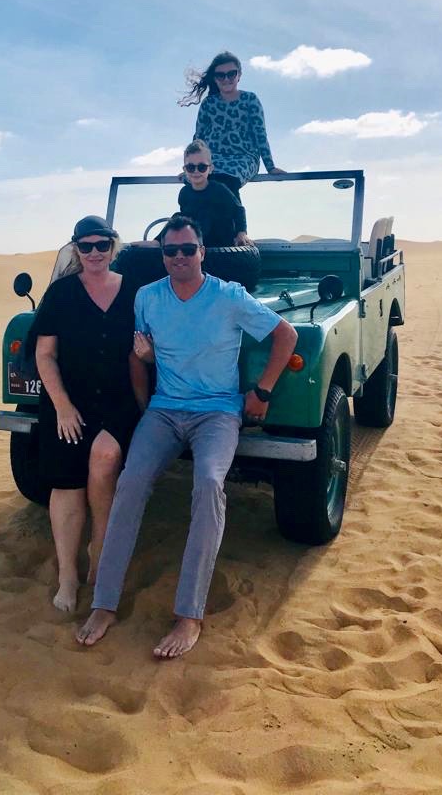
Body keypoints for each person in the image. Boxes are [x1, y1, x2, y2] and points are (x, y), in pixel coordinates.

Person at [76, 214, 297, 658]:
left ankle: (190, 614)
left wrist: (263, 391)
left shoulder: (229, 296)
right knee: (131, 481)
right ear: (162, 256)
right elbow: (139, 357)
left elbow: (285, 334)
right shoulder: (148, 297)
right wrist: (144, 410)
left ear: (202, 251)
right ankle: (104, 603)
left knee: (210, 483)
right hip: (163, 410)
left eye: (187, 249)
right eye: (170, 251)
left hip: (217, 411)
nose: (179, 258)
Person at [33, 215, 140, 614]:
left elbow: (145, 346)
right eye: (86, 246)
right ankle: (67, 575)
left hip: (117, 399)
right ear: (75, 250)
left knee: (105, 459)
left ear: (113, 246)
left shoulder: (134, 291)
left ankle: (100, 556)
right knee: (66, 483)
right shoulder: (61, 294)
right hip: (69, 400)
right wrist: (62, 405)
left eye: (102, 245)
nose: (94, 253)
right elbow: (45, 354)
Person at [180, 51, 286, 199]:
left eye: (231, 74)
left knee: (226, 182)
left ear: (239, 75)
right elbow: (199, 138)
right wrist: (191, 167)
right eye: (221, 75)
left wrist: (271, 167)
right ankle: (193, 222)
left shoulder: (250, 100)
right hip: (212, 159)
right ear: (215, 78)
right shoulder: (208, 104)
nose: (226, 79)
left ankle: (232, 221)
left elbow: (260, 135)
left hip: (243, 157)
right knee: (194, 185)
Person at [178, 139, 250, 247]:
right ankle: (158, 242)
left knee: (206, 213)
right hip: (198, 242)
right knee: (177, 218)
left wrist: (241, 233)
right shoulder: (184, 193)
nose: (196, 171)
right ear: (185, 170)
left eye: (202, 167)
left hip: (222, 241)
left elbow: (238, 210)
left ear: (210, 169)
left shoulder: (219, 189)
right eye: (191, 167)